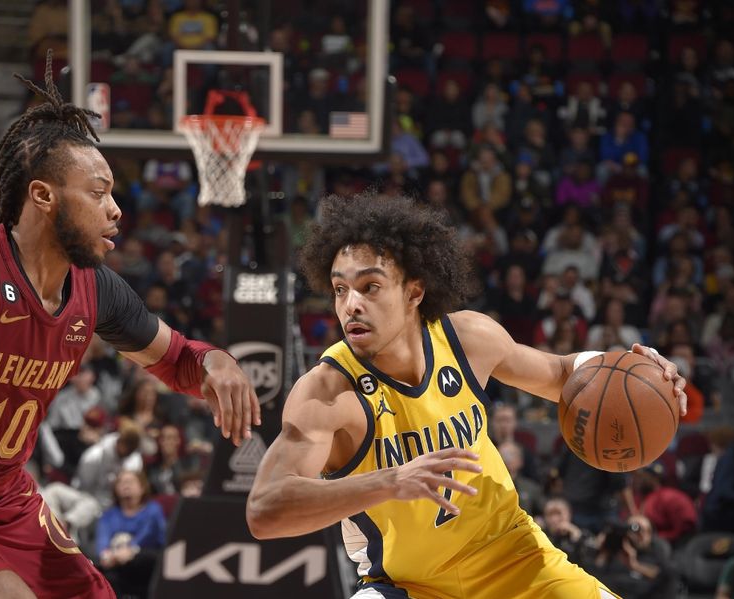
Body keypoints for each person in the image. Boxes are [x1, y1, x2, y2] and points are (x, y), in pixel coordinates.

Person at [247, 193, 687, 599]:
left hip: (517, 560)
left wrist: (636, 369)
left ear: (414, 292)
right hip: (408, 585)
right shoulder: (327, 391)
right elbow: (265, 509)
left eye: (370, 286)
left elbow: (561, 372)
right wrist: (387, 482)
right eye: (341, 289)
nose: (351, 305)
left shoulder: (467, 339)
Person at [0, 52, 260, 599]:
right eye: (98, 192)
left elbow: (177, 360)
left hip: (8, 499)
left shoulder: (95, 288)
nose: (117, 210)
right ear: (42, 196)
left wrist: (216, 362)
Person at [96, 470, 166, 599]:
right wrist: (106, 555)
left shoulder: (153, 509)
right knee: (102, 571)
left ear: (142, 487)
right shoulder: (108, 515)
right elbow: (103, 540)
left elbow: (147, 534)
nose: (125, 485)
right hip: (116, 562)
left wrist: (131, 549)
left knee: (145, 558)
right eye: (121, 482)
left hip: (147, 561)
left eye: (130, 481)